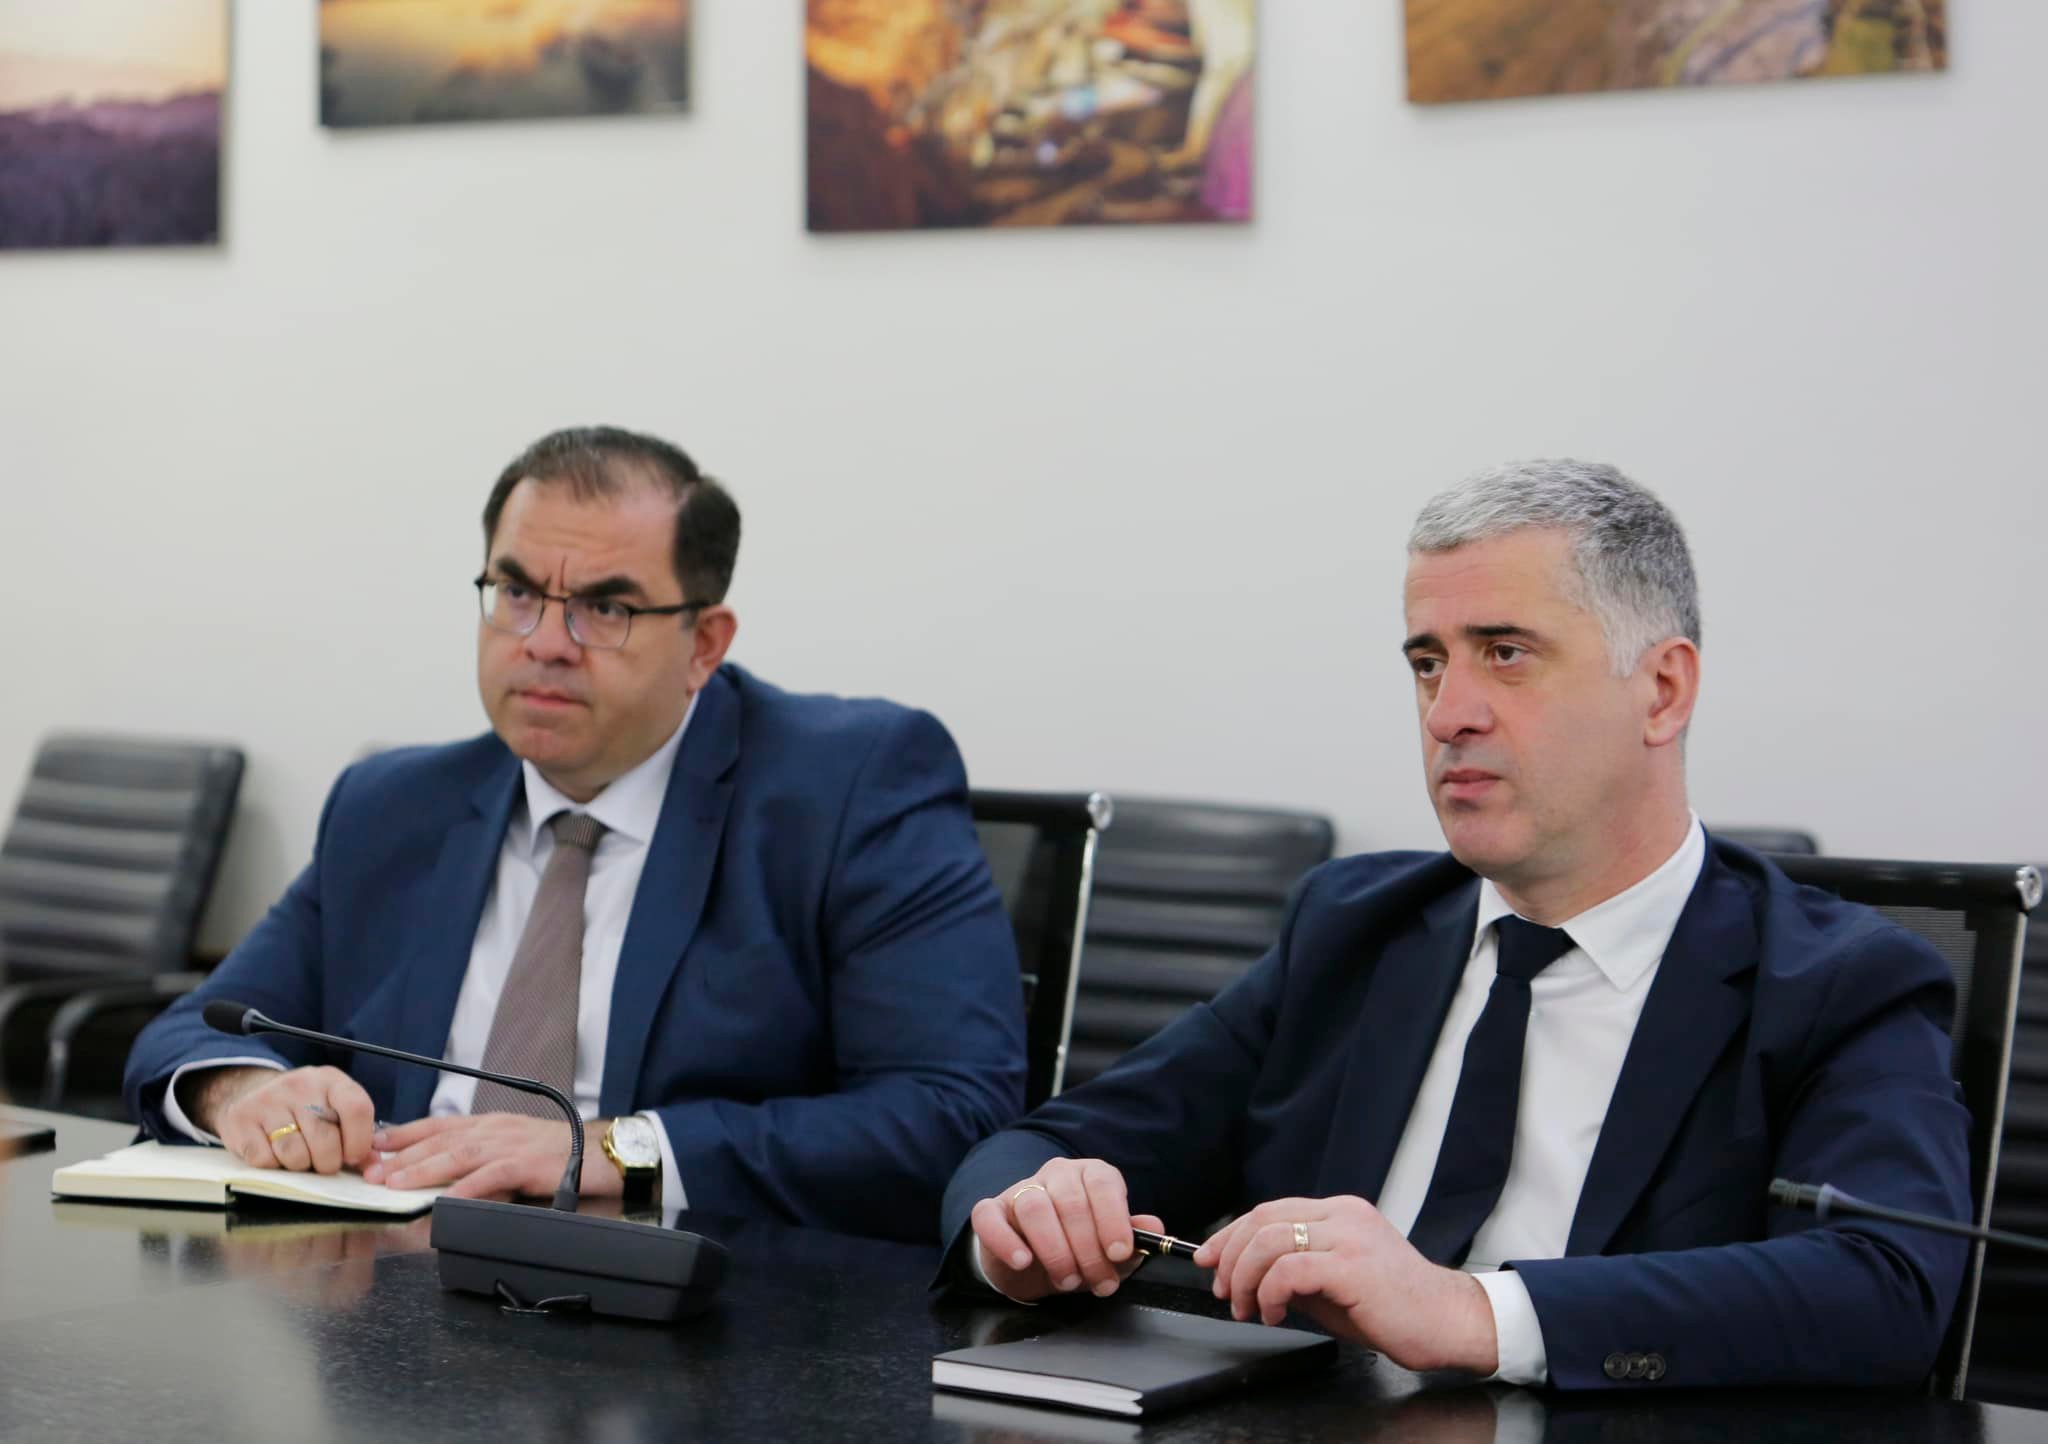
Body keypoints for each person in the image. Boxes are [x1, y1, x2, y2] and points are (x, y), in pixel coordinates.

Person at [940, 460, 1971, 1389]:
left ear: (1661, 691)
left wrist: (1473, 1312)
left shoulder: (1839, 981)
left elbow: (1887, 1289)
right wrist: (1024, 1230)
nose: (1447, 714)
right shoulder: (1354, 927)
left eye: (1505, 654)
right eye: (1427, 662)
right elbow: (1041, 1146)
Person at [126, 425, 1025, 1242]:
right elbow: (196, 1031)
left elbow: (951, 1114)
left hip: (687, 1306)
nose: (546, 642)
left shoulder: (850, 789)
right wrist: (246, 1091)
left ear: (705, 644)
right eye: (516, 592)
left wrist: (614, 1150)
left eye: (606, 608)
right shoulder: (392, 805)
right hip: (381, 1280)